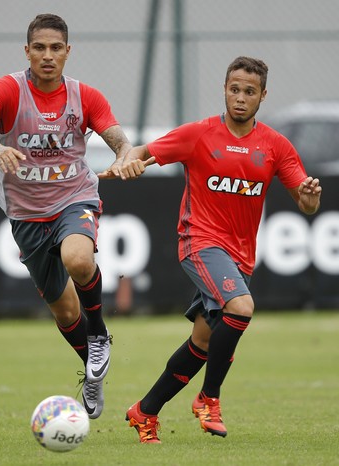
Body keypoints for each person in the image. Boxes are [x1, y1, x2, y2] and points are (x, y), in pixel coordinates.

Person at [113, 56, 322, 442]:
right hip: (200, 241)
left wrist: (310, 197)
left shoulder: (275, 145)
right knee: (241, 307)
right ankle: (209, 398)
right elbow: (144, 151)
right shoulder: (200, 134)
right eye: (234, 89)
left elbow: (306, 204)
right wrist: (126, 161)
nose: (240, 98)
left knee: (204, 341)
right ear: (224, 90)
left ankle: (144, 412)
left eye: (249, 92)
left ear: (262, 96)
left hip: (239, 256)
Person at [0, 13, 132, 420]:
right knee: (65, 312)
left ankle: (100, 334)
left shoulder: (85, 96)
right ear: (27, 51)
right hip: (25, 215)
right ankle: (93, 373)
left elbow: (119, 139)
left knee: (79, 259)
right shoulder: (8, 89)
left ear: (68, 52)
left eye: (56, 48)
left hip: (74, 198)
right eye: (40, 48)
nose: (48, 56)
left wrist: (125, 157)